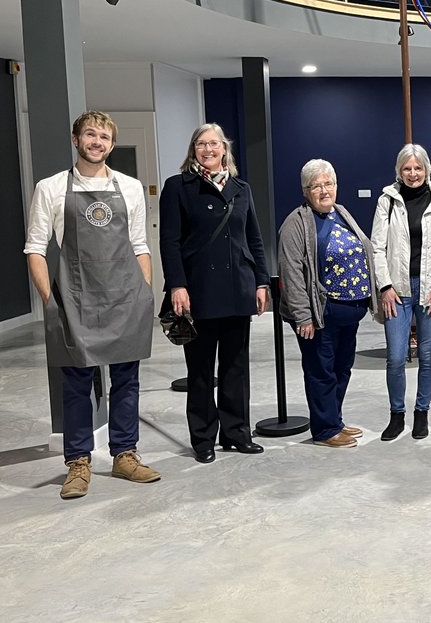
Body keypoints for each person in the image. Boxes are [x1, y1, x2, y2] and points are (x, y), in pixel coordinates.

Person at [24, 110, 160, 499]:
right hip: (74, 300)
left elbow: (138, 245)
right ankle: (78, 463)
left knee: (127, 381)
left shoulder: (130, 188)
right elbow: (35, 248)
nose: (96, 142)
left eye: (103, 137)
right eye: (90, 135)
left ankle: (125, 455)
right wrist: (51, 301)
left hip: (124, 297)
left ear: (112, 144)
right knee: (76, 383)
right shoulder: (50, 188)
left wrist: (144, 291)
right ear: (75, 139)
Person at [159, 122, 270, 464]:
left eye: (214, 144)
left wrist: (262, 282)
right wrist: (177, 284)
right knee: (202, 369)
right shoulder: (178, 187)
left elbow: (254, 239)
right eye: (201, 144)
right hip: (199, 291)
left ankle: (237, 433)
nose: (208, 150)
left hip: (238, 287)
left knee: (236, 367)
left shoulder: (241, 189)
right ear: (193, 150)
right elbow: (170, 242)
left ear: (225, 149)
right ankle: (204, 438)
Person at [278, 159, 378, 449]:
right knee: (321, 371)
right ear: (306, 190)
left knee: (341, 369)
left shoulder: (341, 213)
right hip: (320, 315)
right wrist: (302, 316)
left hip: (349, 312)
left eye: (329, 183)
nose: (324, 190)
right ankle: (324, 429)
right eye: (317, 185)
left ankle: (335, 419)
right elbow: (292, 272)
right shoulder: (296, 223)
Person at [371, 143, 431, 442]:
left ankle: (422, 413)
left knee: (428, 357)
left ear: (427, 170)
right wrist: (384, 286)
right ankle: (396, 415)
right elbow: (377, 247)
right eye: (407, 168)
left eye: (418, 168)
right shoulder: (387, 201)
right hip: (397, 290)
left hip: (429, 290)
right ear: (399, 171)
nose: (413, 173)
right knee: (395, 356)